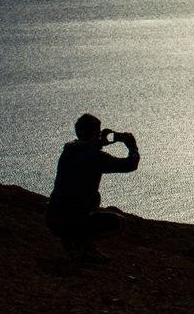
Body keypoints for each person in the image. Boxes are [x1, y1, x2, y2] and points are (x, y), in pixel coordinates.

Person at [46, 113, 140, 263]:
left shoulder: (68, 151)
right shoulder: (96, 157)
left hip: (53, 217)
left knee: (83, 209)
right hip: (73, 218)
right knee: (119, 223)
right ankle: (79, 245)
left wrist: (99, 143)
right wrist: (132, 147)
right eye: (98, 131)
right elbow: (130, 165)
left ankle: (82, 246)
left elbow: (84, 150)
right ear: (94, 133)